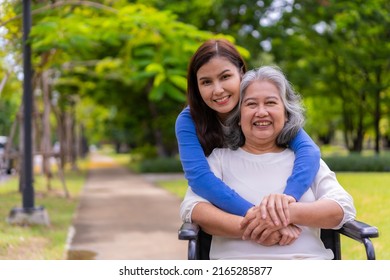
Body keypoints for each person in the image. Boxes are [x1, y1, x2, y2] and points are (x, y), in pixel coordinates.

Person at [180, 66, 356, 259]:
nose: (261, 112)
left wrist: (288, 213)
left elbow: (342, 208)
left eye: (271, 103)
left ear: (286, 113)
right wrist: (259, 228)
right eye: (251, 104)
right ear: (238, 117)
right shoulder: (219, 159)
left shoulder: (305, 162)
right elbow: (195, 209)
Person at [175, 39, 321, 227]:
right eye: (206, 82)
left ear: (241, 74)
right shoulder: (188, 121)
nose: (218, 90)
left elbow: (309, 151)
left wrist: (285, 201)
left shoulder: (263, 113)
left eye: (225, 77)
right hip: (226, 214)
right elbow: (199, 178)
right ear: (196, 86)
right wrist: (258, 216)